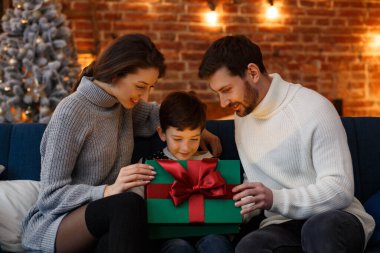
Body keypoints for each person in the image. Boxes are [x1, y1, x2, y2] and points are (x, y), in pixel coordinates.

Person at [21, 34, 221, 253]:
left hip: (109, 224)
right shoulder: (71, 112)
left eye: (151, 87)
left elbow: (162, 114)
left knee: (126, 232)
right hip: (59, 226)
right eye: (140, 86)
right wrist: (108, 191)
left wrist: (200, 130)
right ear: (116, 75)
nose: (145, 96)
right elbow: (50, 197)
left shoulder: (124, 106)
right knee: (128, 202)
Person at [198, 35, 375, 253]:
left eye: (226, 90)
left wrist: (275, 198)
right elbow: (258, 180)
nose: (223, 103)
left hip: (336, 218)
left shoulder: (314, 108)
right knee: (249, 246)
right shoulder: (243, 118)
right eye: (218, 94)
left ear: (252, 73)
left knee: (318, 229)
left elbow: (339, 190)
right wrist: (233, 208)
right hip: (281, 224)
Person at [140, 91, 234, 253]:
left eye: (194, 139)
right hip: (168, 237)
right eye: (177, 139)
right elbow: (133, 201)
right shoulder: (150, 165)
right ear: (162, 134)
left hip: (210, 232)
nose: (185, 148)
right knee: (178, 247)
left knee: (215, 243)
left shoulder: (210, 162)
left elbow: (229, 199)